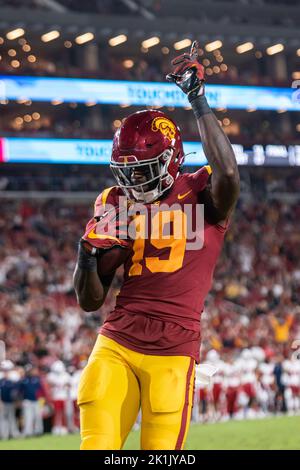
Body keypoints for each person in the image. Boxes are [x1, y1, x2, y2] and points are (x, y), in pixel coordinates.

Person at [73, 41, 240, 450]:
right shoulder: (115, 202)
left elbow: (230, 173)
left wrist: (198, 101)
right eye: (126, 173)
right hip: (118, 339)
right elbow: (91, 301)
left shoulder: (201, 194)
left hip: (174, 347)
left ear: (171, 160)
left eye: (144, 171)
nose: (133, 184)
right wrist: (87, 254)